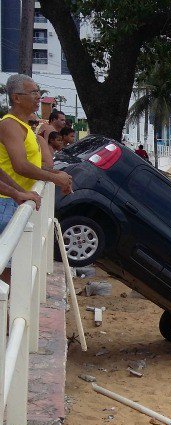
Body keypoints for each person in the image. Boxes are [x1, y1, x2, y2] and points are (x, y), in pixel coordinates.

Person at [0, 75, 73, 277]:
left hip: (14, 198)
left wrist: (56, 173)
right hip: (5, 202)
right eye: (33, 92)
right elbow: (20, 166)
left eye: (38, 92)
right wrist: (54, 178)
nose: (38, 97)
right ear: (16, 98)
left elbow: (31, 164)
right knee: (8, 270)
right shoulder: (9, 125)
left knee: (14, 269)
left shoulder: (23, 126)